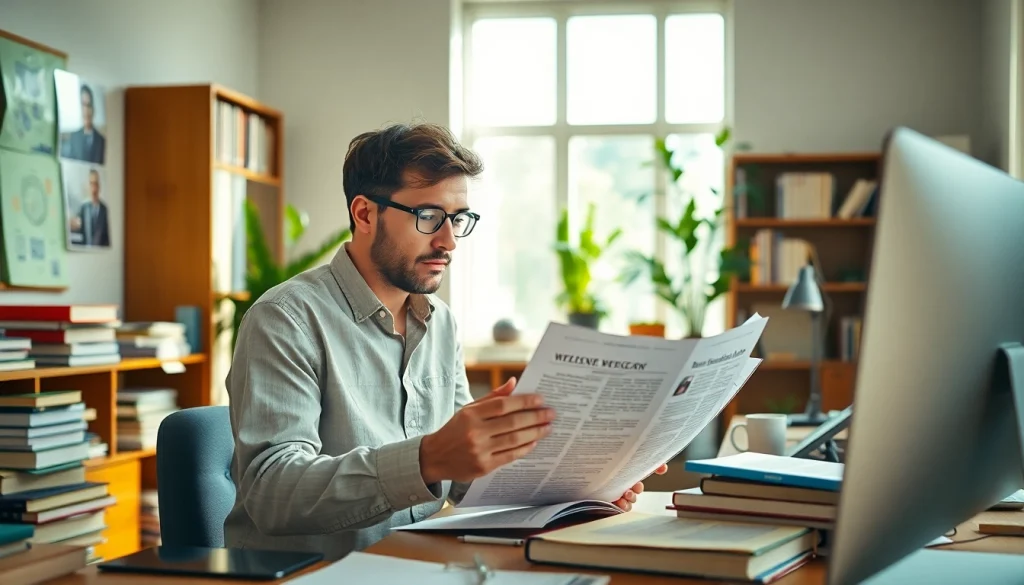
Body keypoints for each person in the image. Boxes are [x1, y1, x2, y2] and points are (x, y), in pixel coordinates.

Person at [223, 123, 667, 560]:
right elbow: (271, 492)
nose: (449, 241)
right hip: (314, 574)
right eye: (428, 217)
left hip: (418, 564)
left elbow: (462, 479)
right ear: (364, 214)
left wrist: (581, 487)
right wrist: (427, 458)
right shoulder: (285, 319)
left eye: (458, 219)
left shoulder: (441, 323)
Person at [61, 84, 105, 164]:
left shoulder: (101, 141)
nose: (86, 110)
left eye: (89, 105)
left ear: (93, 109)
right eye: (83, 105)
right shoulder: (73, 138)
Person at [69, 168, 109, 247]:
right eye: (91, 184)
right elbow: (77, 229)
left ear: (99, 186)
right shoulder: (83, 208)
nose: (93, 189)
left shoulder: (105, 210)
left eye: (95, 184)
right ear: (87, 186)